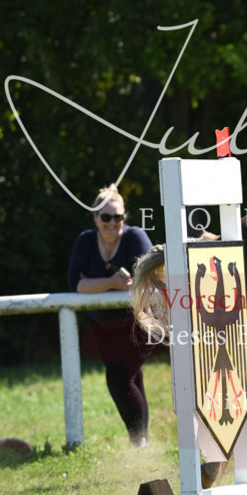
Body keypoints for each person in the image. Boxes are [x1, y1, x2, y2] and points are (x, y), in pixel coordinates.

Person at [67, 184, 159, 447]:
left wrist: (93, 282)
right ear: (95, 218)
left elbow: (147, 279)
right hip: (103, 325)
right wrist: (110, 282)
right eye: (105, 217)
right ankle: (142, 440)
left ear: (124, 218)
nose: (112, 222)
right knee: (129, 376)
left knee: (118, 376)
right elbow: (75, 284)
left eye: (117, 217)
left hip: (140, 320)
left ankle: (138, 441)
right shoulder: (85, 240)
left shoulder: (136, 237)